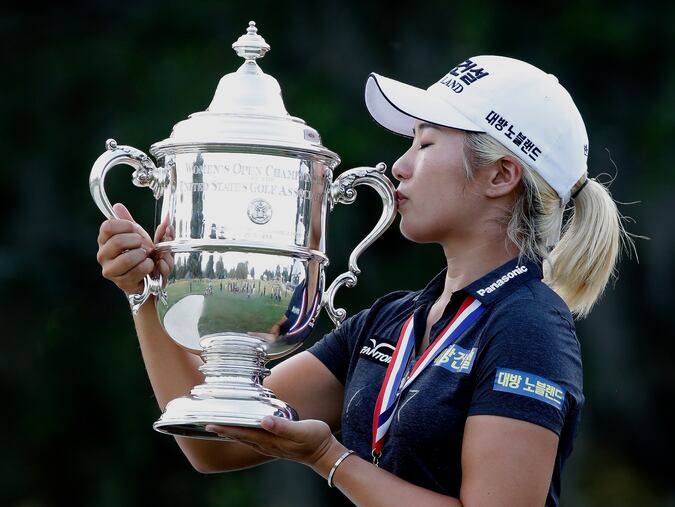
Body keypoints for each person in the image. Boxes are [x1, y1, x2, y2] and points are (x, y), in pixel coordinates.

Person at [96, 55, 636, 506]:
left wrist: (327, 458)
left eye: (425, 145)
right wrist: (144, 295)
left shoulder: (528, 324)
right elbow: (213, 444)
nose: (400, 166)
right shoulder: (388, 320)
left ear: (501, 175)